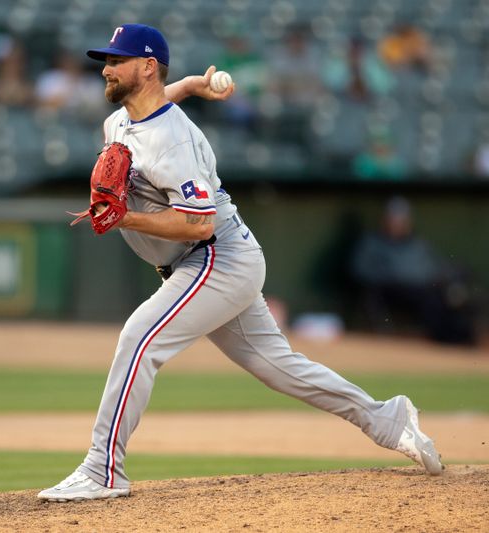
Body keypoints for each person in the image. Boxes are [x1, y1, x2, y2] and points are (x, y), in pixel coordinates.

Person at [37, 24, 442, 503]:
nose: (105, 69)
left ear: (146, 67)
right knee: (281, 369)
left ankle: (103, 469)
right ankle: (388, 418)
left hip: (216, 256)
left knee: (140, 337)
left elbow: (199, 224)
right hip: (207, 261)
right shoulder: (121, 120)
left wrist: (129, 219)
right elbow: (155, 104)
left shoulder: (176, 142)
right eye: (105, 60)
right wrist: (189, 85)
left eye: (116, 60)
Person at [351, 196, 477, 346]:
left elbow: (435, 268)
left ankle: (459, 337)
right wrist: (390, 277)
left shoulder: (418, 244)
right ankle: (444, 339)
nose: (397, 224)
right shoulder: (372, 242)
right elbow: (359, 269)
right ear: (385, 220)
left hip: (423, 290)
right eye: (394, 219)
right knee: (430, 299)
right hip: (390, 290)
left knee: (448, 295)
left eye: (401, 220)